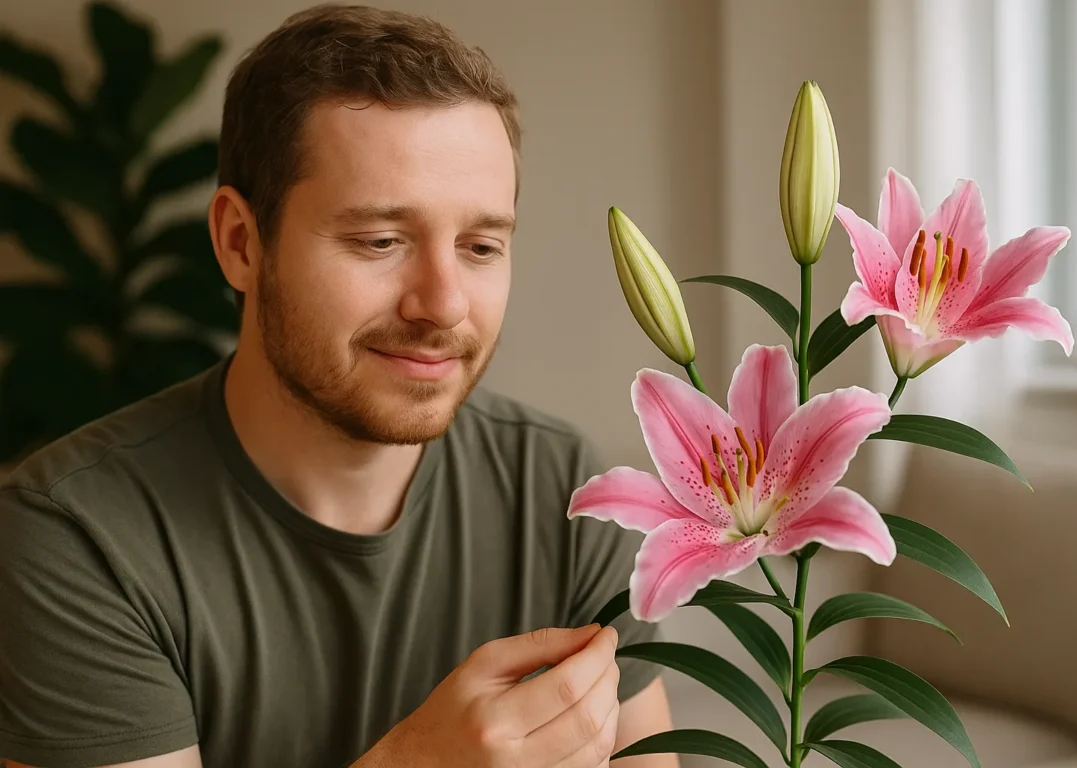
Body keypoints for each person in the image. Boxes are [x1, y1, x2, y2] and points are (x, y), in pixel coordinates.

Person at [0, 5, 678, 767]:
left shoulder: (564, 494)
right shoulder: (78, 536)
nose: (445, 303)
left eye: (481, 245)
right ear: (240, 243)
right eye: (380, 241)